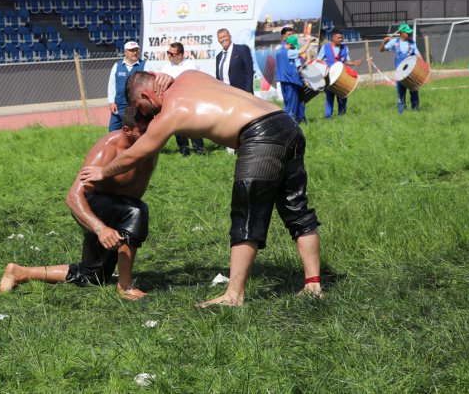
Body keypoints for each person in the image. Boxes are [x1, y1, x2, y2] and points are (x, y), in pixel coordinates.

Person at [81, 70, 323, 307]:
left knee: (246, 215)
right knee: (296, 208)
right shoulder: (189, 75)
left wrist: (104, 171)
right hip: (286, 123)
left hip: (259, 136)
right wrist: (162, 76)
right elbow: (159, 79)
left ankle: (233, 296)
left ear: (145, 95)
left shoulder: (171, 113)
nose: (146, 114)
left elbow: (138, 152)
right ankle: (313, 285)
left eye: (140, 107)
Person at [0, 107, 158, 300]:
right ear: (127, 130)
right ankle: (125, 286)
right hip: (91, 207)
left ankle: (20, 273)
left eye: (152, 129)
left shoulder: (150, 143)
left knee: (93, 275)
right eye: (143, 131)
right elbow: (73, 197)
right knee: (136, 211)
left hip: (117, 209)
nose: (150, 135)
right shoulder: (108, 149)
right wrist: (101, 229)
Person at [161, 41, 204, 156]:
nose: (168, 55)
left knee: (194, 127)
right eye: (168, 53)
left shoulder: (190, 65)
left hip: (190, 102)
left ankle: (199, 151)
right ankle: (184, 152)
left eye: (171, 53)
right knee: (178, 129)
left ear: (180, 55)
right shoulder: (165, 68)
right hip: (174, 104)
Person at [380, 23, 424, 113]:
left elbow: (418, 55)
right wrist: (383, 42)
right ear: (402, 33)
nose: (409, 34)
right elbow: (381, 50)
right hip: (400, 74)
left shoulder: (412, 43)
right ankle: (401, 112)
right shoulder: (395, 42)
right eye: (407, 32)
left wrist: (424, 65)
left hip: (412, 73)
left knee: (414, 91)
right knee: (401, 93)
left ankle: (415, 110)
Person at [317, 29, 361, 118]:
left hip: (342, 76)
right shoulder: (325, 47)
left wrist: (353, 63)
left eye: (341, 37)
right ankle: (328, 117)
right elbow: (318, 60)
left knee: (342, 96)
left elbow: (347, 60)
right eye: (338, 37)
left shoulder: (345, 48)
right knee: (330, 98)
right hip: (329, 77)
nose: (340, 39)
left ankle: (342, 116)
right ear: (333, 38)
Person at [107, 41, 145, 131]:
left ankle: (133, 145)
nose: (135, 52)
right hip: (119, 104)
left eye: (136, 50)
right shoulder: (117, 65)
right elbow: (111, 85)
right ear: (125, 52)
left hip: (136, 105)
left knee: (133, 130)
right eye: (132, 50)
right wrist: (111, 101)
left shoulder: (145, 65)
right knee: (113, 129)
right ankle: (117, 145)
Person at [276, 34, 314, 123]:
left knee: (287, 103)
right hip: (291, 82)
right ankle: (291, 124)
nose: (293, 47)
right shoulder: (288, 52)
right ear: (290, 44)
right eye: (293, 46)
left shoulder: (279, 50)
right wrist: (309, 41)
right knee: (292, 105)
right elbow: (303, 50)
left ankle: (286, 122)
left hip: (283, 81)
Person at [215, 28, 254, 94]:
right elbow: (218, 77)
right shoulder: (218, 57)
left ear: (230, 37)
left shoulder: (242, 49)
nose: (223, 39)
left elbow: (249, 72)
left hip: (242, 92)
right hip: (225, 93)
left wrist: (249, 91)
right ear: (218, 40)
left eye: (224, 36)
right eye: (220, 38)